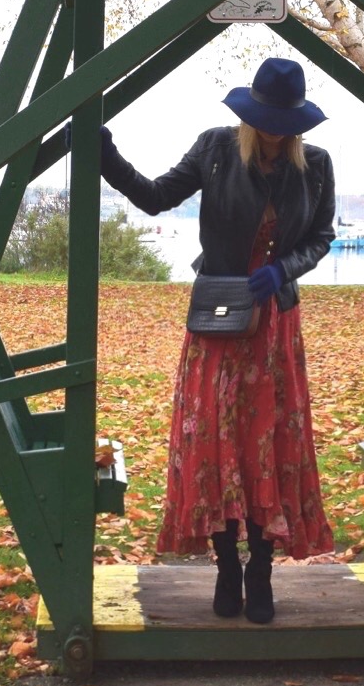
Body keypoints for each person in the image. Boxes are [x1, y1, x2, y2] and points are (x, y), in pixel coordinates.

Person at [95, 58, 337, 623]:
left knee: (268, 443)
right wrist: (105, 154)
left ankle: (262, 570)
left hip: (275, 325)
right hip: (219, 319)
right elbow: (155, 197)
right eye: (268, 119)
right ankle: (227, 568)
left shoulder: (317, 165)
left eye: (287, 121)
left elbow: (322, 235)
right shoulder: (217, 148)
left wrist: (285, 270)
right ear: (250, 114)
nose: (277, 131)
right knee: (217, 441)